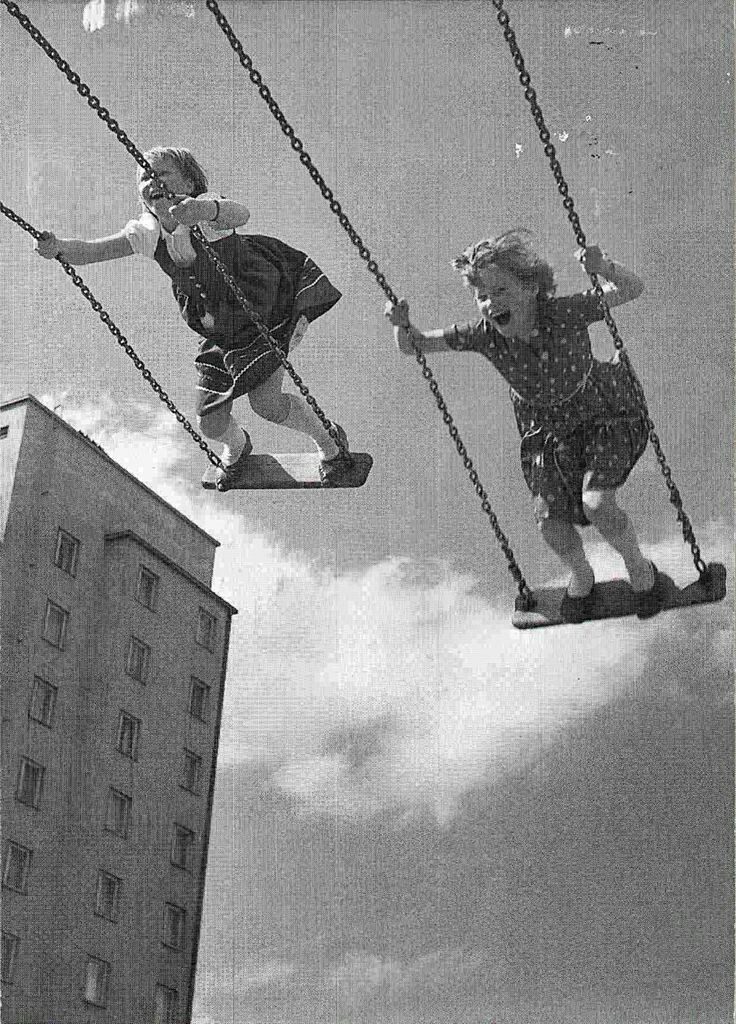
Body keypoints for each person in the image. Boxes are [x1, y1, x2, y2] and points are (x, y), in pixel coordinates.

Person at [385, 228, 666, 622]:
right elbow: (414, 345)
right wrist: (401, 324)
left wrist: (603, 267)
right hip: (550, 435)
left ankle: (638, 567)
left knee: (598, 504)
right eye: (482, 295)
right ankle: (581, 574)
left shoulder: (565, 312)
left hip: (602, 416)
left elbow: (632, 289)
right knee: (550, 524)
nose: (490, 302)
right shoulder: (483, 335)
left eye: (500, 290)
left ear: (532, 288)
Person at [35, 146, 351, 488]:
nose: (152, 181)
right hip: (220, 330)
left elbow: (240, 214)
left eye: (162, 173)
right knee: (209, 421)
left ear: (188, 182)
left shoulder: (204, 209)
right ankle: (237, 447)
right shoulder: (147, 232)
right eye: (144, 178)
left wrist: (204, 209)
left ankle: (329, 443)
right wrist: (59, 248)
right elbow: (93, 250)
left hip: (262, 310)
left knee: (267, 404)